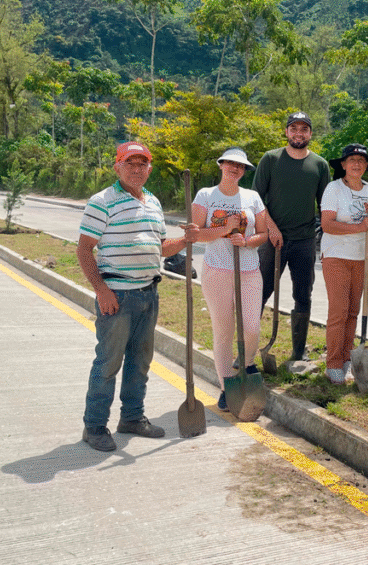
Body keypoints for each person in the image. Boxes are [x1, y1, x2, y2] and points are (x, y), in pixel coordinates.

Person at [78, 141, 198, 452]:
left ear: (149, 168)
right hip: (117, 295)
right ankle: (94, 427)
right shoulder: (101, 201)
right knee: (108, 362)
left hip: (148, 293)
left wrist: (185, 240)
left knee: (140, 362)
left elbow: (160, 247)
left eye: (142, 163)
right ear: (117, 166)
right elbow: (83, 250)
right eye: (129, 163)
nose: (136, 168)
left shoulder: (154, 203)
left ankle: (131, 417)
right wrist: (101, 290)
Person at [193, 148, 270, 411]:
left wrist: (247, 241)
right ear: (221, 165)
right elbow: (196, 234)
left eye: (240, 166)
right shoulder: (206, 195)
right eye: (230, 164)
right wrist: (225, 229)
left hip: (248, 269)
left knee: (252, 328)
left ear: (244, 171)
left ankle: (246, 363)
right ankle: (227, 387)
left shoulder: (252, 197)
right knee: (223, 332)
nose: (235, 169)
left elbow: (263, 234)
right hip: (217, 269)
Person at [252, 112, 331, 362]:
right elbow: (255, 200)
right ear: (286, 132)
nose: (299, 133)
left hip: (304, 241)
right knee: (260, 292)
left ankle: (299, 352)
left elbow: (325, 204)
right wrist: (271, 228)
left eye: (304, 129)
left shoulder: (320, 165)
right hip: (270, 240)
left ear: (310, 134)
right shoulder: (271, 159)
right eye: (294, 128)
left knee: (302, 294)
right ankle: (248, 350)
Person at [320, 144, 368, 383]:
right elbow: (327, 224)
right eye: (352, 160)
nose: (357, 164)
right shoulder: (333, 188)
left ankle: (348, 359)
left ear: (366, 165)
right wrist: (359, 226)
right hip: (336, 255)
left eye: (361, 160)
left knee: (352, 312)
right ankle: (333, 364)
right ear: (343, 165)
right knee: (338, 312)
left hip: (362, 256)